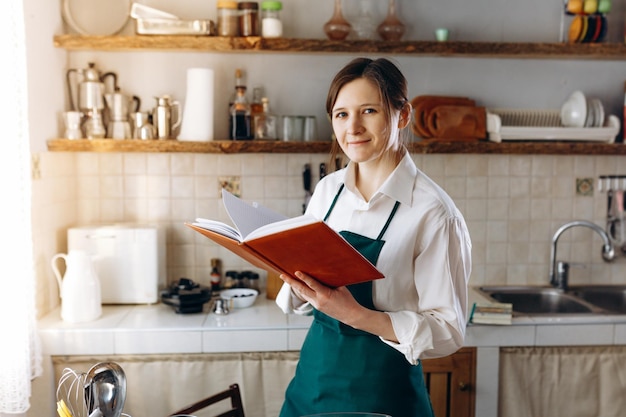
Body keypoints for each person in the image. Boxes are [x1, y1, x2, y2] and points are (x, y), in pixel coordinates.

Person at [275, 57, 472, 417]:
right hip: (311, 390)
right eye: (341, 114)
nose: (353, 127)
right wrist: (295, 277)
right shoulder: (327, 191)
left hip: (383, 397)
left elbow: (448, 330)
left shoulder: (434, 213)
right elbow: (303, 302)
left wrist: (356, 314)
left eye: (369, 111)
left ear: (402, 116)